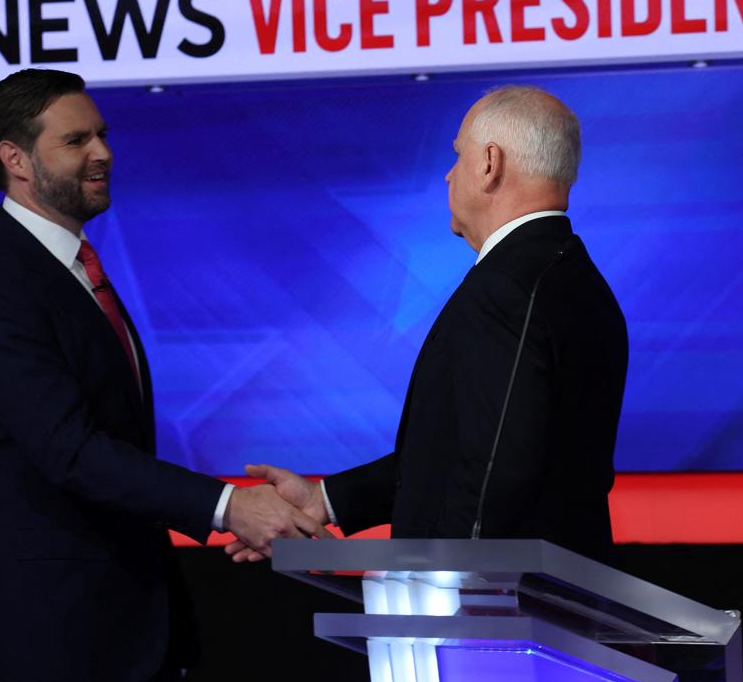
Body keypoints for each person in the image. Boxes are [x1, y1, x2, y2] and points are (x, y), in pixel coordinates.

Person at [0, 68, 323, 682]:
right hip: (55, 646)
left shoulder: (71, 269)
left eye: (103, 134)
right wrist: (231, 507)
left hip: (126, 635)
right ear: (15, 160)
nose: (102, 152)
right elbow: (72, 451)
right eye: (75, 140)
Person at [228, 85, 627, 562]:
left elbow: (493, 474)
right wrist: (326, 500)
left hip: (491, 620)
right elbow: (466, 455)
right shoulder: (581, 284)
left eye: (458, 155)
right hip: (549, 604)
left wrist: (433, 590)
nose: (447, 174)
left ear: (488, 164)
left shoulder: (506, 290)